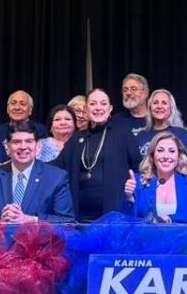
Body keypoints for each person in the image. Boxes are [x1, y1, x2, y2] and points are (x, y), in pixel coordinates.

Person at [52, 88, 139, 221]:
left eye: (103, 103)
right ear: (86, 109)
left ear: (110, 109)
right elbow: (57, 167)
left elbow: (139, 167)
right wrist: (29, 162)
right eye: (93, 104)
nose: (98, 108)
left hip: (113, 216)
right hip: (80, 216)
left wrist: (132, 187)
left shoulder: (123, 135)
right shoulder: (76, 138)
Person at [0, 122, 74, 223]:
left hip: (39, 234)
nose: (23, 147)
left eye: (29, 141)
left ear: (38, 146)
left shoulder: (56, 178)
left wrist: (31, 219)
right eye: (17, 142)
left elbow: (66, 221)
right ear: (7, 146)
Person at [122, 132, 187, 223]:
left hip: (183, 233)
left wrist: (171, 218)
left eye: (171, 151)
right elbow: (126, 220)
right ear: (152, 155)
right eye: (160, 151)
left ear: (179, 155)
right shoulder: (139, 181)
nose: (166, 156)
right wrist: (129, 197)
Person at [0, 90, 48, 163]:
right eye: (13, 103)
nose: (17, 107)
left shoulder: (40, 130)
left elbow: (41, 159)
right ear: (7, 109)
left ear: (30, 110)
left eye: (22, 104)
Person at [131, 89, 187, 160]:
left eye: (164, 103)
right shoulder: (141, 135)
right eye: (155, 103)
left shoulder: (181, 134)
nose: (159, 106)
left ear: (171, 108)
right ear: (150, 108)